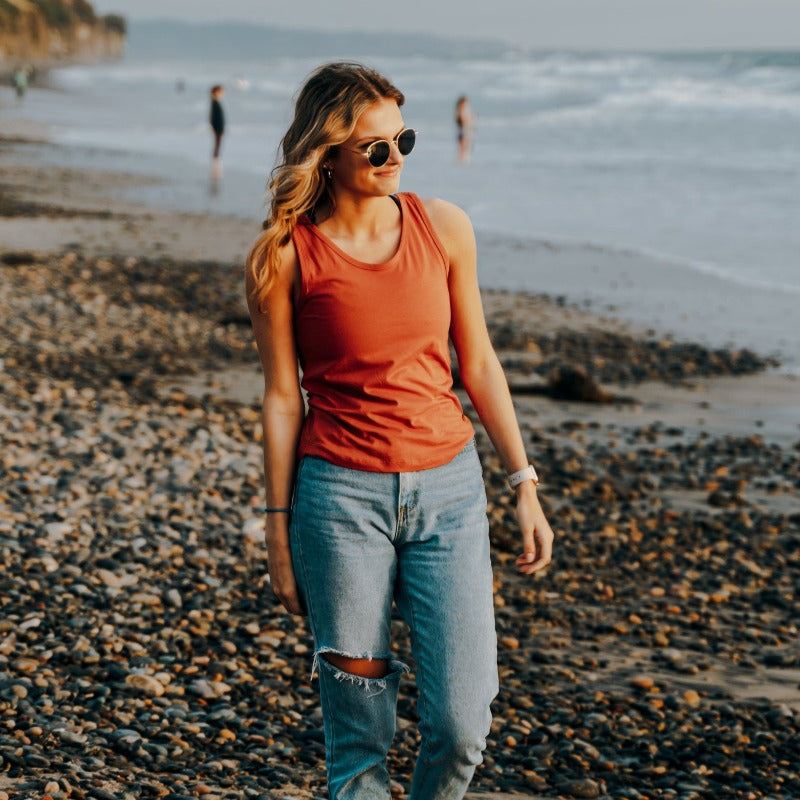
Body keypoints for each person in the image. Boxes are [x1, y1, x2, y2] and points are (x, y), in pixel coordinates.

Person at [245, 61, 554, 800]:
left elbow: (478, 361)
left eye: (403, 140)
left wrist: (524, 485)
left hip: (450, 493)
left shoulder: (444, 227)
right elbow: (283, 398)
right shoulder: (285, 257)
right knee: (358, 739)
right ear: (328, 152)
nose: (396, 158)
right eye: (375, 147)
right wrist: (277, 530)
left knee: (462, 722)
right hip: (338, 502)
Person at [209, 84, 225, 182]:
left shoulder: (216, 101)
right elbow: (213, 117)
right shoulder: (214, 102)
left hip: (219, 127)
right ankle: (215, 163)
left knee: (218, 145)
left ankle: (216, 162)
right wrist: (215, 127)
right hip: (217, 128)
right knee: (217, 145)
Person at [455, 95, 474, 163]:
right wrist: (470, 120)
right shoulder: (461, 112)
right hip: (464, 131)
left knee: (463, 148)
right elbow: (464, 122)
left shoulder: (459, 111)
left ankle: (463, 160)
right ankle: (463, 161)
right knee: (464, 148)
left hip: (462, 131)